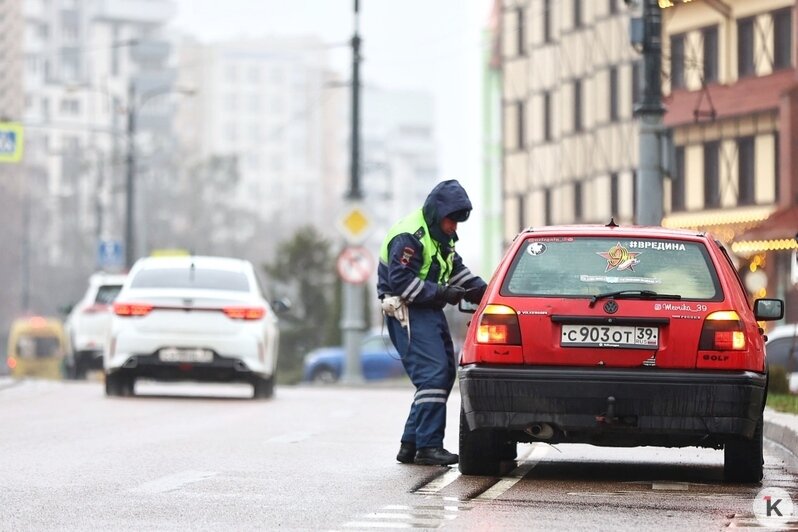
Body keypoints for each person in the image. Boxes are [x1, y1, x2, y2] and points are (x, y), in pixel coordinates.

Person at [377, 179, 487, 466]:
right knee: (433, 375)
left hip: (427, 308)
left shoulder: (440, 235)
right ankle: (428, 447)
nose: (455, 228)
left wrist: (484, 291)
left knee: (442, 374)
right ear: (439, 214)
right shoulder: (409, 237)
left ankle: (410, 443)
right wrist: (442, 293)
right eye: (452, 220)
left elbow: (455, 271)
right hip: (409, 309)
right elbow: (400, 282)